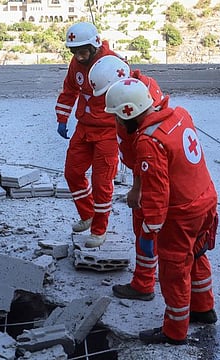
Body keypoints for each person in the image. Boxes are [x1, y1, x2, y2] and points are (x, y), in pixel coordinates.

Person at [105, 78, 219, 345]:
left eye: (118, 119)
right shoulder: (179, 114)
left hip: (182, 213)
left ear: (129, 112)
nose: (118, 125)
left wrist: (150, 227)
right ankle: (204, 308)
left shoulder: (148, 141)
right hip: (205, 199)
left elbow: (157, 192)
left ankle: (175, 331)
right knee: (198, 253)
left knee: (174, 270)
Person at [88, 55, 167, 301]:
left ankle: (146, 285)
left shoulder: (132, 113)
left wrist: (137, 188)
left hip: (152, 176)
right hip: (159, 171)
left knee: (147, 230)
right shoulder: (144, 92)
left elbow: (145, 155)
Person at [54, 22, 120, 248]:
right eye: (74, 51)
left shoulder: (113, 64)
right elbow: (70, 90)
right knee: (72, 172)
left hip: (109, 131)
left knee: (102, 182)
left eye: (82, 51)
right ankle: (88, 213)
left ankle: (99, 229)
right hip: (84, 127)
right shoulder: (76, 63)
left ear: (94, 45)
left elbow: (128, 95)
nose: (79, 56)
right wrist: (62, 118)